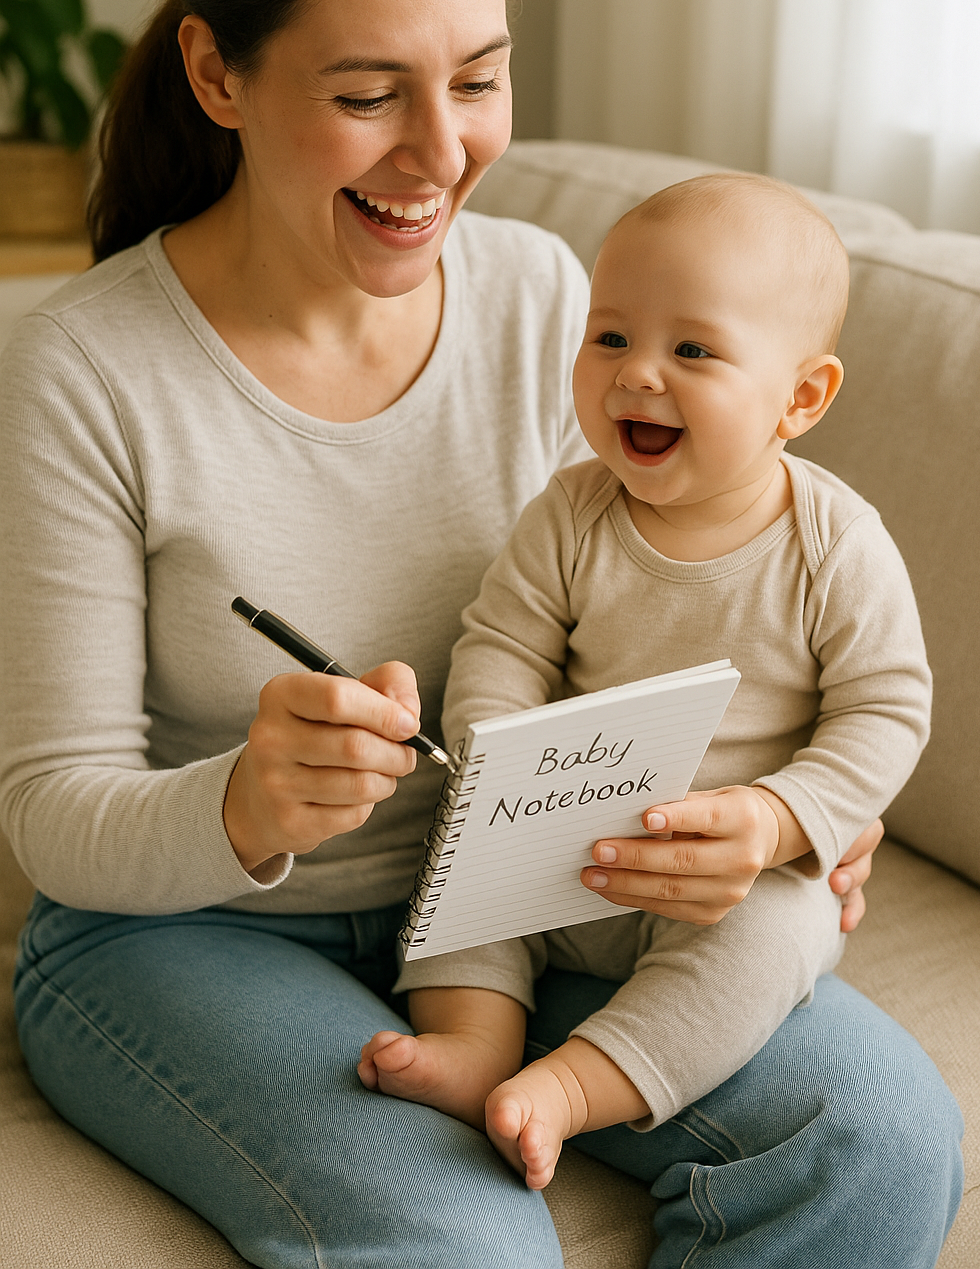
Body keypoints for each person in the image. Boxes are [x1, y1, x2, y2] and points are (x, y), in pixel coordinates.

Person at [0, 0, 959, 1269]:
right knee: (468, 1245)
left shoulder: (543, 296)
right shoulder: (82, 371)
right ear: (218, 71)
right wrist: (246, 806)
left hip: (530, 901)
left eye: (481, 81)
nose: (440, 153)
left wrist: (791, 814)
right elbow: (52, 814)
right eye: (371, 92)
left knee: (879, 1131)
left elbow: (692, 602)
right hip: (180, 935)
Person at [361, 172, 933, 1198]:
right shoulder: (572, 512)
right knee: (460, 858)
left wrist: (777, 818)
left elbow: (884, 709)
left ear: (800, 397)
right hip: (559, 827)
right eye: (611, 338)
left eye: (693, 351)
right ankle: (475, 1037)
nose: (637, 377)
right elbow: (502, 642)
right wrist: (501, 754)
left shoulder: (831, 544)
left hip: (722, 875)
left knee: (778, 933)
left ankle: (575, 1087)